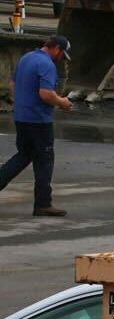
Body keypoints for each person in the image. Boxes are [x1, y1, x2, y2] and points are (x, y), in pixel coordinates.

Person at [2, 32, 75, 217]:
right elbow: (46, 94)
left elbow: (13, 84)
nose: (61, 60)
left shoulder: (27, 58)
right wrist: (62, 102)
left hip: (22, 117)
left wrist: (22, 103)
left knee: (23, 155)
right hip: (39, 120)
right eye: (61, 55)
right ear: (56, 49)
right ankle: (43, 204)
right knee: (44, 160)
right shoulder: (46, 64)